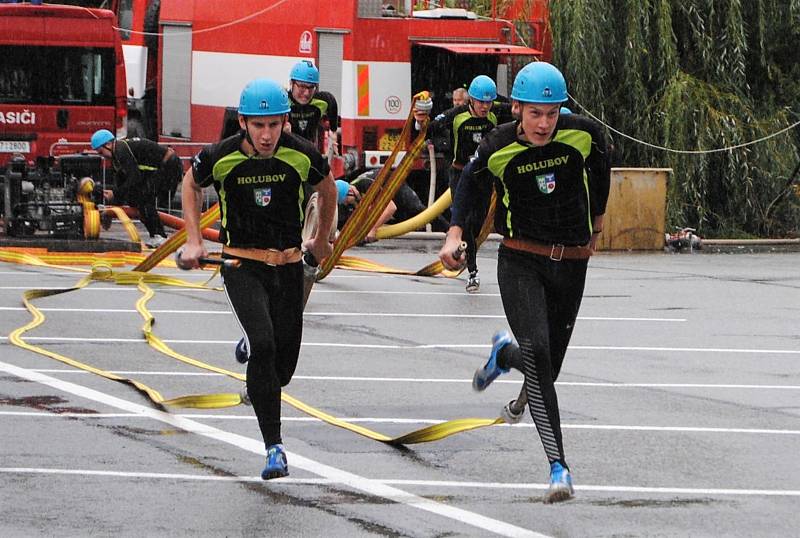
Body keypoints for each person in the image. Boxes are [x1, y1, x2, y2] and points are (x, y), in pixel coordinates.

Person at [438, 62, 610, 503]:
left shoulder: (582, 134)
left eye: (552, 114)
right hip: (521, 260)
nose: (544, 124)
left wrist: (598, 221)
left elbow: (603, 160)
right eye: (535, 113)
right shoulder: (495, 146)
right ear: (516, 108)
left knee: (547, 365)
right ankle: (559, 468)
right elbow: (468, 190)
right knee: (538, 353)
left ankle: (504, 354)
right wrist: (455, 235)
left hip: (571, 262)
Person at [179, 78, 336, 480]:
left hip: (288, 266)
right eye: (258, 126)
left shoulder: (301, 155)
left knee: (281, 370)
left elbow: (328, 188)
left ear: (285, 121)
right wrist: (194, 240)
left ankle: (255, 347)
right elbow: (190, 184)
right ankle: (274, 449)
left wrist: (320, 239)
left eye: (274, 125)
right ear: (243, 122)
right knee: (265, 345)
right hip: (241, 264)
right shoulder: (222, 155)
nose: (266, 135)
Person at [415, 75, 513, 293]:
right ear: (471, 101)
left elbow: (519, 110)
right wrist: (420, 120)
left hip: (485, 175)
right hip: (460, 175)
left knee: (477, 223)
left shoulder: (497, 110)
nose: (485, 107)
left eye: (489, 102)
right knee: (465, 222)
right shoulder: (456, 115)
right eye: (481, 102)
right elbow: (428, 129)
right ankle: (473, 271)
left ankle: (466, 251)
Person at [90, 129, 182, 247]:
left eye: (101, 152)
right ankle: (156, 234)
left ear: (108, 144)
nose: (103, 156)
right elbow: (122, 183)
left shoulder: (121, 151)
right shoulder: (117, 155)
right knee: (135, 198)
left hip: (170, 166)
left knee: (144, 198)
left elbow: (134, 177)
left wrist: (116, 194)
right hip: (163, 167)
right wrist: (113, 200)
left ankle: (160, 235)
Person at [287, 60, 339, 154]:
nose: (306, 93)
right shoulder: (282, 102)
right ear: (291, 83)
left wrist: (333, 131)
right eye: (302, 87)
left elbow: (331, 101)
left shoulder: (321, 101)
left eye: (311, 88)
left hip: (309, 153)